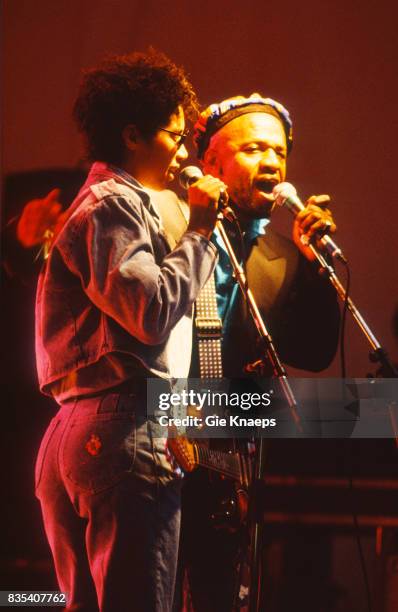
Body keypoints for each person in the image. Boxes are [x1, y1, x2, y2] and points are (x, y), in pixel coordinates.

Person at [34, 50, 228, 612]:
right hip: (122, 427)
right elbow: (148, 309)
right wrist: (201, 230)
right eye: (173, 134)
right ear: (132, 135)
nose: (184, 151)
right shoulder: (113, 203)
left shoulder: (99, 204)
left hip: (79, 428)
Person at [176, 94, 341, 611]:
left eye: (279, 152)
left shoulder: (279, 257)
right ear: (211, 163)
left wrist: (315, 268)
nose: (271, 161)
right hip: (155, 449)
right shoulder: (171, 225)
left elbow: (312, 354)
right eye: (252, 149)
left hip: (226, 471)